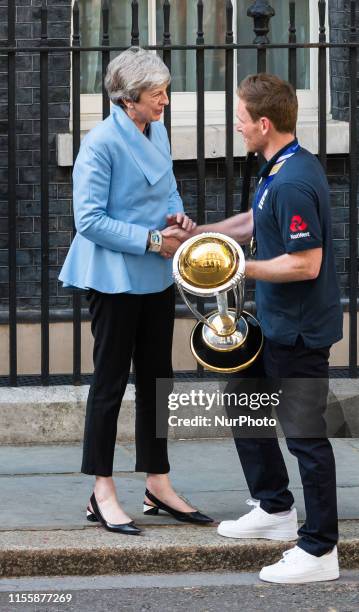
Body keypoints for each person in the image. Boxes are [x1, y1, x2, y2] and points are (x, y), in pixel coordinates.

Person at [164, 73, 343, 582]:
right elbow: (253, 222)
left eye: (241, 119)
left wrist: (236, 267)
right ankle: (274, 509)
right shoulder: (278, 169)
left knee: (306, 438)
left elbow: (305, 263)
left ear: (264, 124)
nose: (237, 127)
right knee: (244, 400)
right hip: (271, 322)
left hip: (300, 331)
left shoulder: (293, 180)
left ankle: (319, 550)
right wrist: (202, 234)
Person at [59, 47, 213, 535]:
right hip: (113, 274)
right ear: (129, 100)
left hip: (154, 273)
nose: (165, 100)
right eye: (157, 94)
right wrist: (151, 240)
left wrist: (177, 216)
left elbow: (166, 189)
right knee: (109, 384)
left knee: (156, 380)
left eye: (165, 91)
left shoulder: (158, 130)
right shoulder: (100, 143)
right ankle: (101, 490)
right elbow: (88, 221)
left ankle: (158, 483)